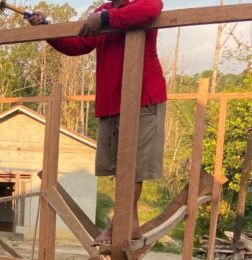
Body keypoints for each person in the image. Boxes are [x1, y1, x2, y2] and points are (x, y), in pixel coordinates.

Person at [27, 0, 166, 246]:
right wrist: (46, 28)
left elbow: (153, 7)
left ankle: (117, 225)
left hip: (143, 98)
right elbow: (77, 44)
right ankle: (131, 224)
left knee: (133, 167)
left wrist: (103, 20)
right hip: (111, 101)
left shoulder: (136, 5)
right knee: (117, 168)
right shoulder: (103, 10)